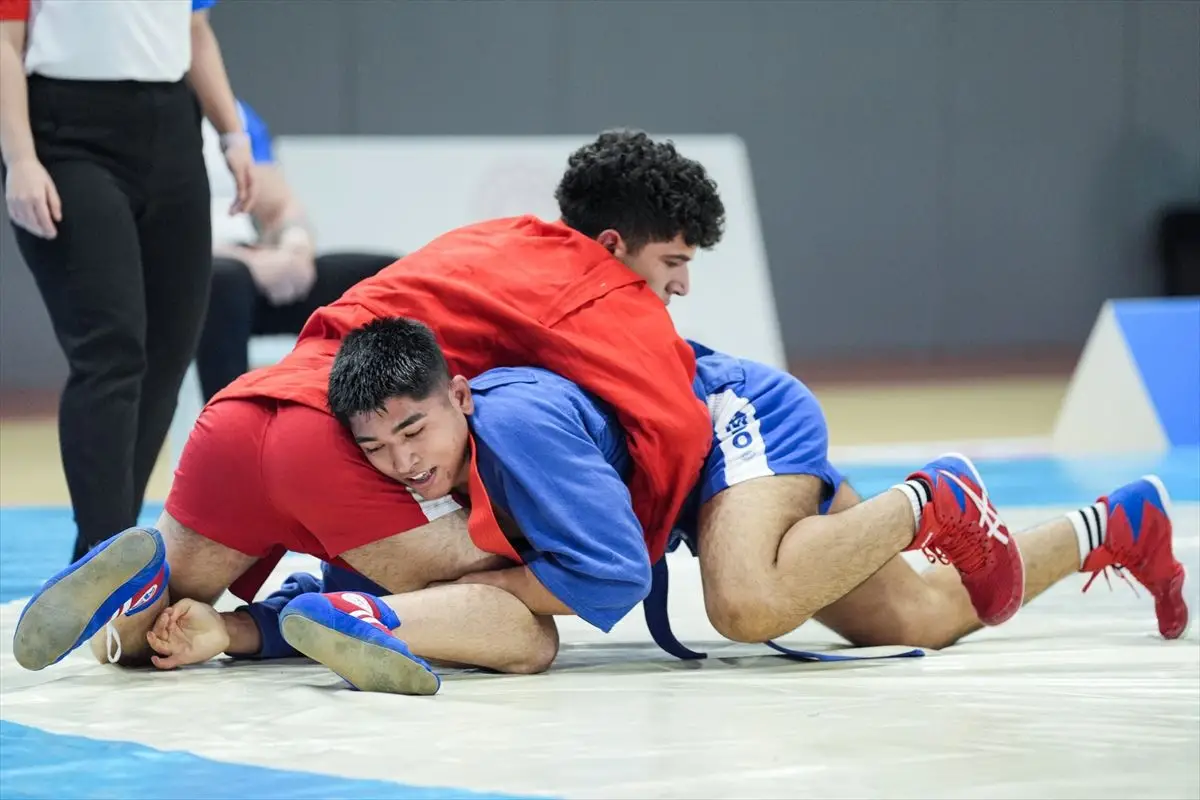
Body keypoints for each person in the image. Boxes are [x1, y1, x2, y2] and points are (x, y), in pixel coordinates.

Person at [10, 130, 727, 674]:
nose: (680, 288)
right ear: (612, 245)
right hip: (341, 436)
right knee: (521, 628)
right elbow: (676, 423)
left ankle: (140, 598)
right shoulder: (606, 289)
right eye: (673, 264)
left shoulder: (493, 236)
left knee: (157, 640)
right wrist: (653, 526)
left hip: (239, 416)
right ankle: (344, 613)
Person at [138, 325, 1186, 696]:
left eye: (415, 432)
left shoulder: (521, 432)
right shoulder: (395, 466)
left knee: (746, 599)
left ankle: (933, 494)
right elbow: (368, 596)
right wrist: (239, 627)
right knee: (921, 615)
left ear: (458, 394)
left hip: (730, 419)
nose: (400, 463)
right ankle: (1116, 523)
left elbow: (613, 580)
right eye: (375, 447)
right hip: (687, 483)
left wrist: (495, 589)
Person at [0, 0, 254, 561]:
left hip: (172, 129)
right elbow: (6, 38)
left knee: (168, 351)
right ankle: (107, 549)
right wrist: (19, 157)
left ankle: (102, 550)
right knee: (111, 349)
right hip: (66, 130)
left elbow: (195, 29)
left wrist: (232, 133)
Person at [195, 96, 397, 400]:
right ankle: (229, 420)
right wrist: (244, 261)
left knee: (380, 276)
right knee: (225, 280)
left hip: (250, 268)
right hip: (185, 276)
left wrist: (295, 247)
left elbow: (281, 207)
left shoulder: (230, 114)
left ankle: (375, 413)